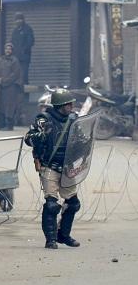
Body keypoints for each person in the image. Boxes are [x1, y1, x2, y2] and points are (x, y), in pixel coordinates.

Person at [24, 89, 81, 250]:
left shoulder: (74, 120)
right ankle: (51, 239)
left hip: (68, 167)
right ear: (60, 105)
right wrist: (41, 135)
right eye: (68, 104)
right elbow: (28, 138)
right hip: (50, 166)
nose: (71, 106)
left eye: (71, 104)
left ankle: (63, 235)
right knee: (52, 204)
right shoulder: (44, 119)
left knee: (73, 203)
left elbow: (82, 140)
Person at [0, 43, 22, 131]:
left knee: (9, 107)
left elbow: (15, 74)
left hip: (10, 88)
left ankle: (9, 126)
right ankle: (1, 124)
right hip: (1, 87)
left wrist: (4, 81)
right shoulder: (0, 59)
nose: (8, 50)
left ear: (12, 51)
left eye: (9, 49)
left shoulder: (15, 61)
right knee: (0, 105)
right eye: (6, 49)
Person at [11, 12, 34, 85]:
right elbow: (12, 42)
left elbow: (31, 42)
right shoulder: (15, 31)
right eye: (17, 20)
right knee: (16, 76)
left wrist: (23, 50)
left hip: (24, 57)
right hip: (15, 57)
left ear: (23, 20)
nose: (18, 21)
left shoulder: (27, 29)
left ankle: (26, 94)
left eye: (20, 19)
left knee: (24, 76)